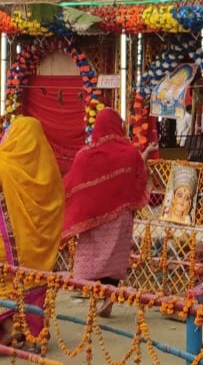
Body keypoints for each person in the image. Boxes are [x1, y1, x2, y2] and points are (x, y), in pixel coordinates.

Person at [62, 108, 150, 319]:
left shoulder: (85, 155)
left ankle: (98, 295)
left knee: (92, 259)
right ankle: (109, 295)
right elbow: (139, 177)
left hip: (93, 217)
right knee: (113, 259)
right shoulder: (129, 152)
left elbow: (73, 184)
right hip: (120, 216)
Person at [0, 117, 65, 346]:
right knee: (33, 284)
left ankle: (10, 329)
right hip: (39, 253)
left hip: (7, 246)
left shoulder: (3, 165)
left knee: (9, 284)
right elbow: (57, 206)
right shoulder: (49, 171)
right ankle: (30, 335)